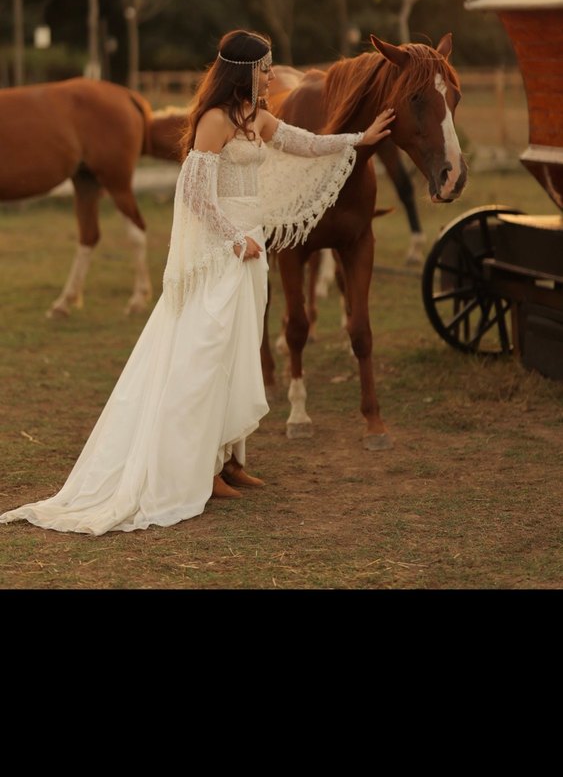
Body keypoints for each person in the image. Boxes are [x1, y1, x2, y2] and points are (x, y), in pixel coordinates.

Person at [0, 30, 395, 536]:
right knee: (208, 352)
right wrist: (233, 239)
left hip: (250, 245)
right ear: (243, 72)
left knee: (237, 352)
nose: (271, 76)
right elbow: (194, 193)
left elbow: (304, 143)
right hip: (223, 249)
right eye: (265, 69)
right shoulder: (215, 121)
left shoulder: (257, 118)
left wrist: (357, 140)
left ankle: (229, 459)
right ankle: (202, 470)